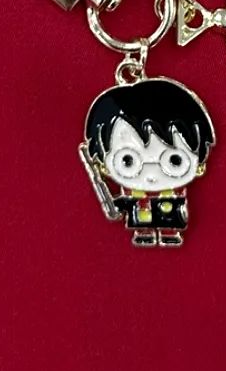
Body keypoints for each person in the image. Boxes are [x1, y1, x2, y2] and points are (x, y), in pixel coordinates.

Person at [83, 78, 216, 247]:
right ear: (104, 166)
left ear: (199, 166)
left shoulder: (175, 192)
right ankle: (144, 235)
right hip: (140, 216)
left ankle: (169, 234)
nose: (151, 174)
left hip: (171, 214)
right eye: (127, 160)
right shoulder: (130, 192)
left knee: (170, 221)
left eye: (175, 160)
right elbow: (121, 205)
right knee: (144, 225)